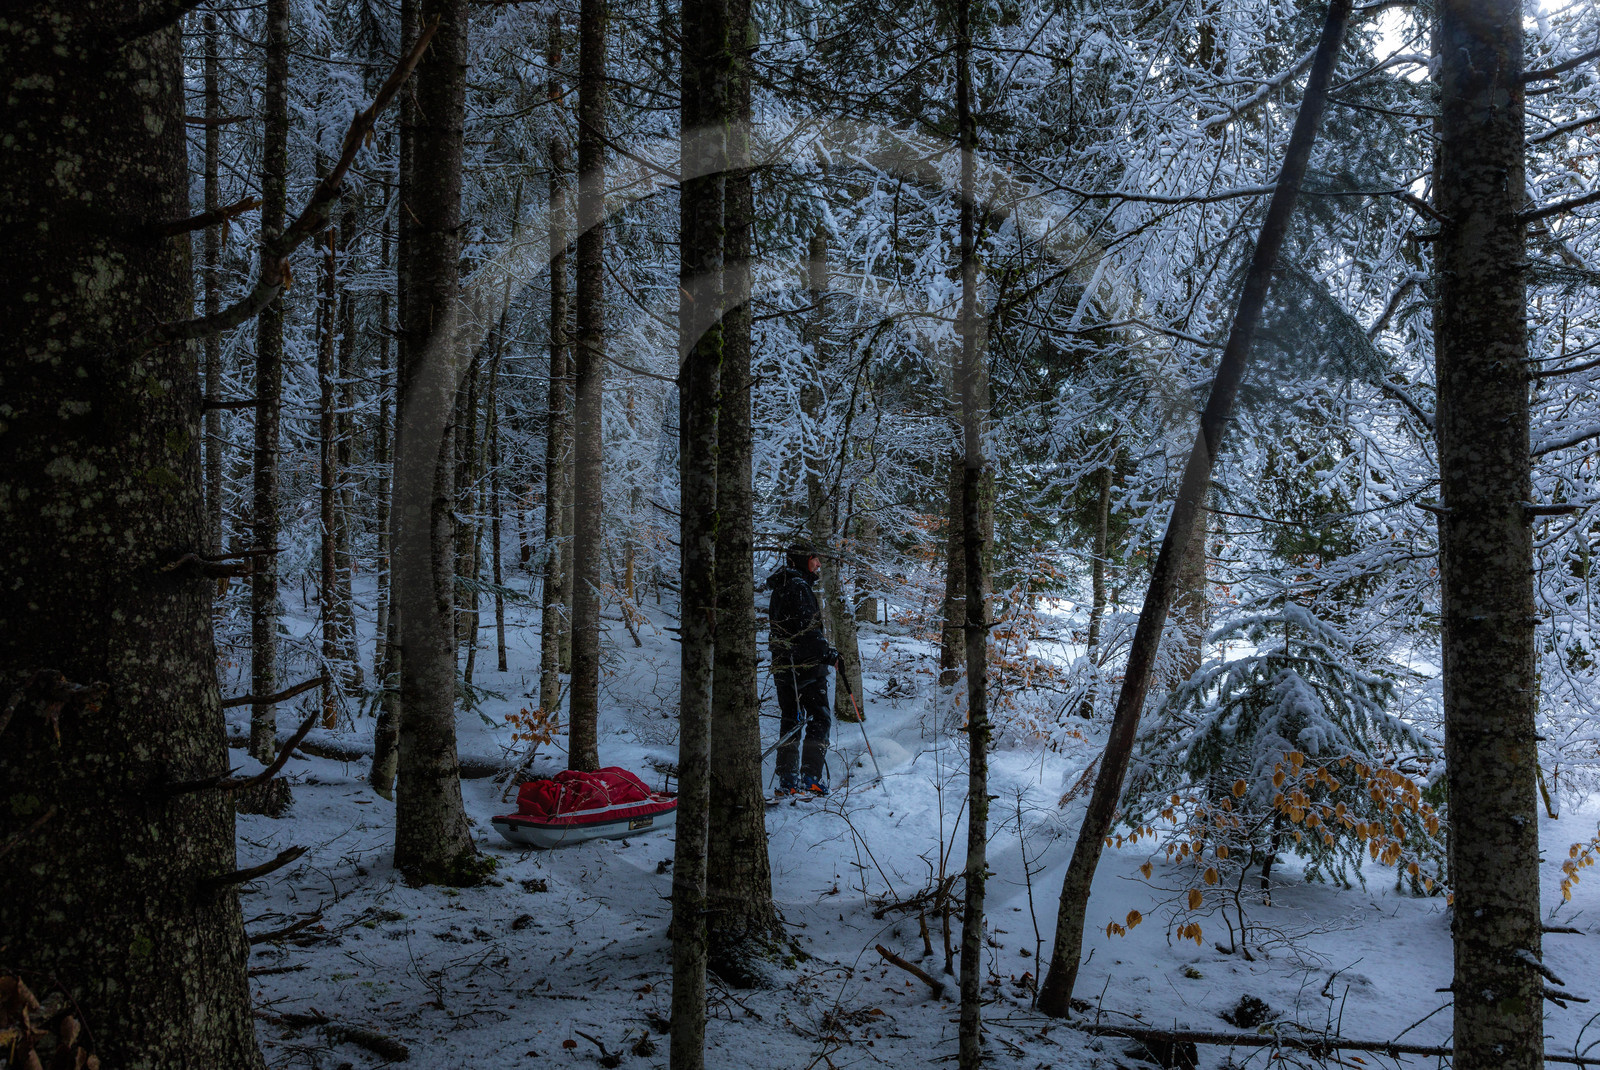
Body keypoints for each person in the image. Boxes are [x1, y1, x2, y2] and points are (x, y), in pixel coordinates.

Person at [766, 543, 841, 796]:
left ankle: (788, 779)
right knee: (819, 718)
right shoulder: (798, 588)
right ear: (803, 560)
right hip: (805, 667)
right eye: (815, 558)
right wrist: (828, 654)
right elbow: (808, 629)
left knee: (791, 719)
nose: (818, 563)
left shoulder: (780, 587)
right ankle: (810, 777)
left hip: (784, 667)